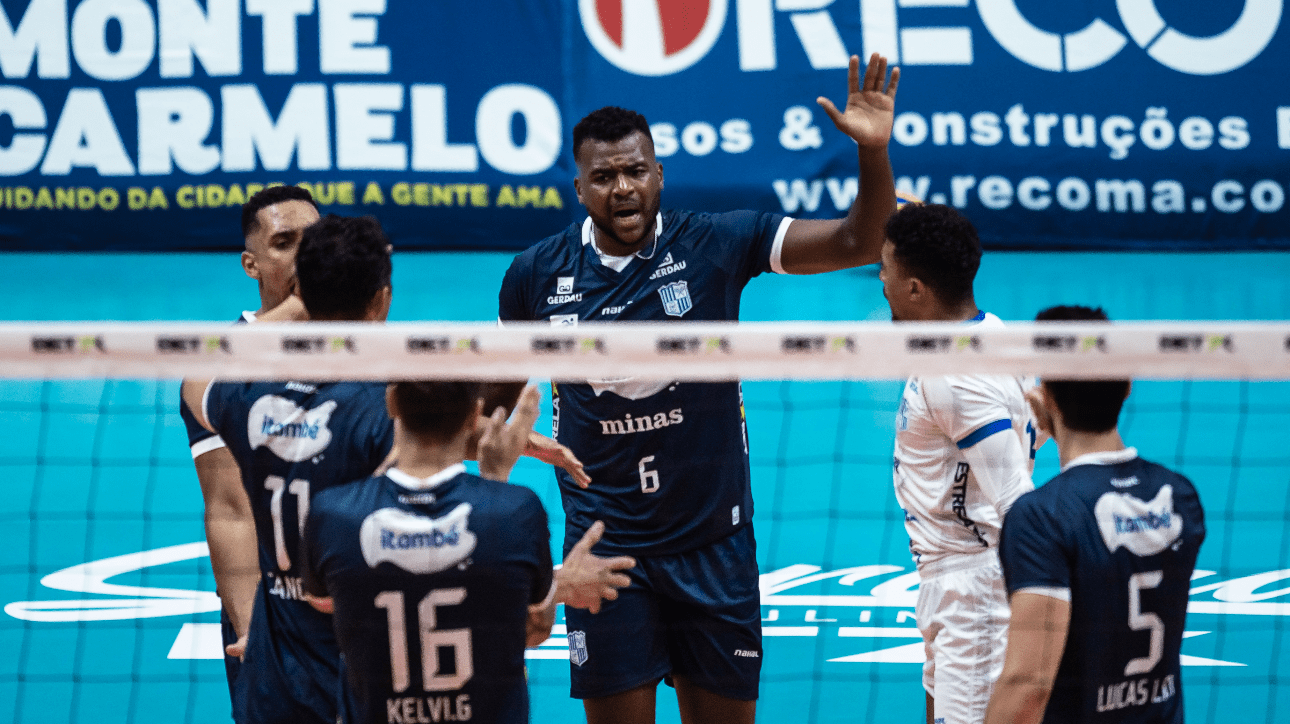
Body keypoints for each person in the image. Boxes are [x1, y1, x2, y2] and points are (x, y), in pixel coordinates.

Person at [498, 53, 900, 724]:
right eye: (603, 177)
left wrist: (874, 153)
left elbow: (862, 241)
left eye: (634, 171)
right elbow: (499, 392)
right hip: (605, 549)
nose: (621, 188)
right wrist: (509, 435)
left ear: (659, 174)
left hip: (713, 545)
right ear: (579, 188)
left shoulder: (717, 242)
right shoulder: (535, 275)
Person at [183, 214, 626, 724]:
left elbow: (198, 379)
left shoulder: (248, 400)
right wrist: (502, 463)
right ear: (381, 301)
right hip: (363, 671)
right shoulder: (372, 414)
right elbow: (441, 534)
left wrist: (298, 302)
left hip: (276, 675)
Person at [300, 382, 621, 724]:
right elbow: (535, 629)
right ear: (473, 418)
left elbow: (327, 609)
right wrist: (496, 482)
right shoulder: (514, 511)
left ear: (391, 403)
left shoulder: (334, 515)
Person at [985, 306, 1206, 724]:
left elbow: (1029, 686)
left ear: (1043, 396)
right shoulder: (1179, 497)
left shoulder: (1042, 517)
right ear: (1126, 387)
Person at [878, 203, 1042, 724]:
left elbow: (1017, 501)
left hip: (976, 591)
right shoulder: (993, 333)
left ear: (916, 290)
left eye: (886, 269)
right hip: (954, 580)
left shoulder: (954, 377)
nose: (880, 280)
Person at [178, 185, 320, 693]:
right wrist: (250, 628)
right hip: (273, 607)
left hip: (359, 595)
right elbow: (229, 509)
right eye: (284, 242)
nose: (304, 253)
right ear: (251, 264)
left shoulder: (368, 344)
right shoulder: (223, 367)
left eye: (314, 239)